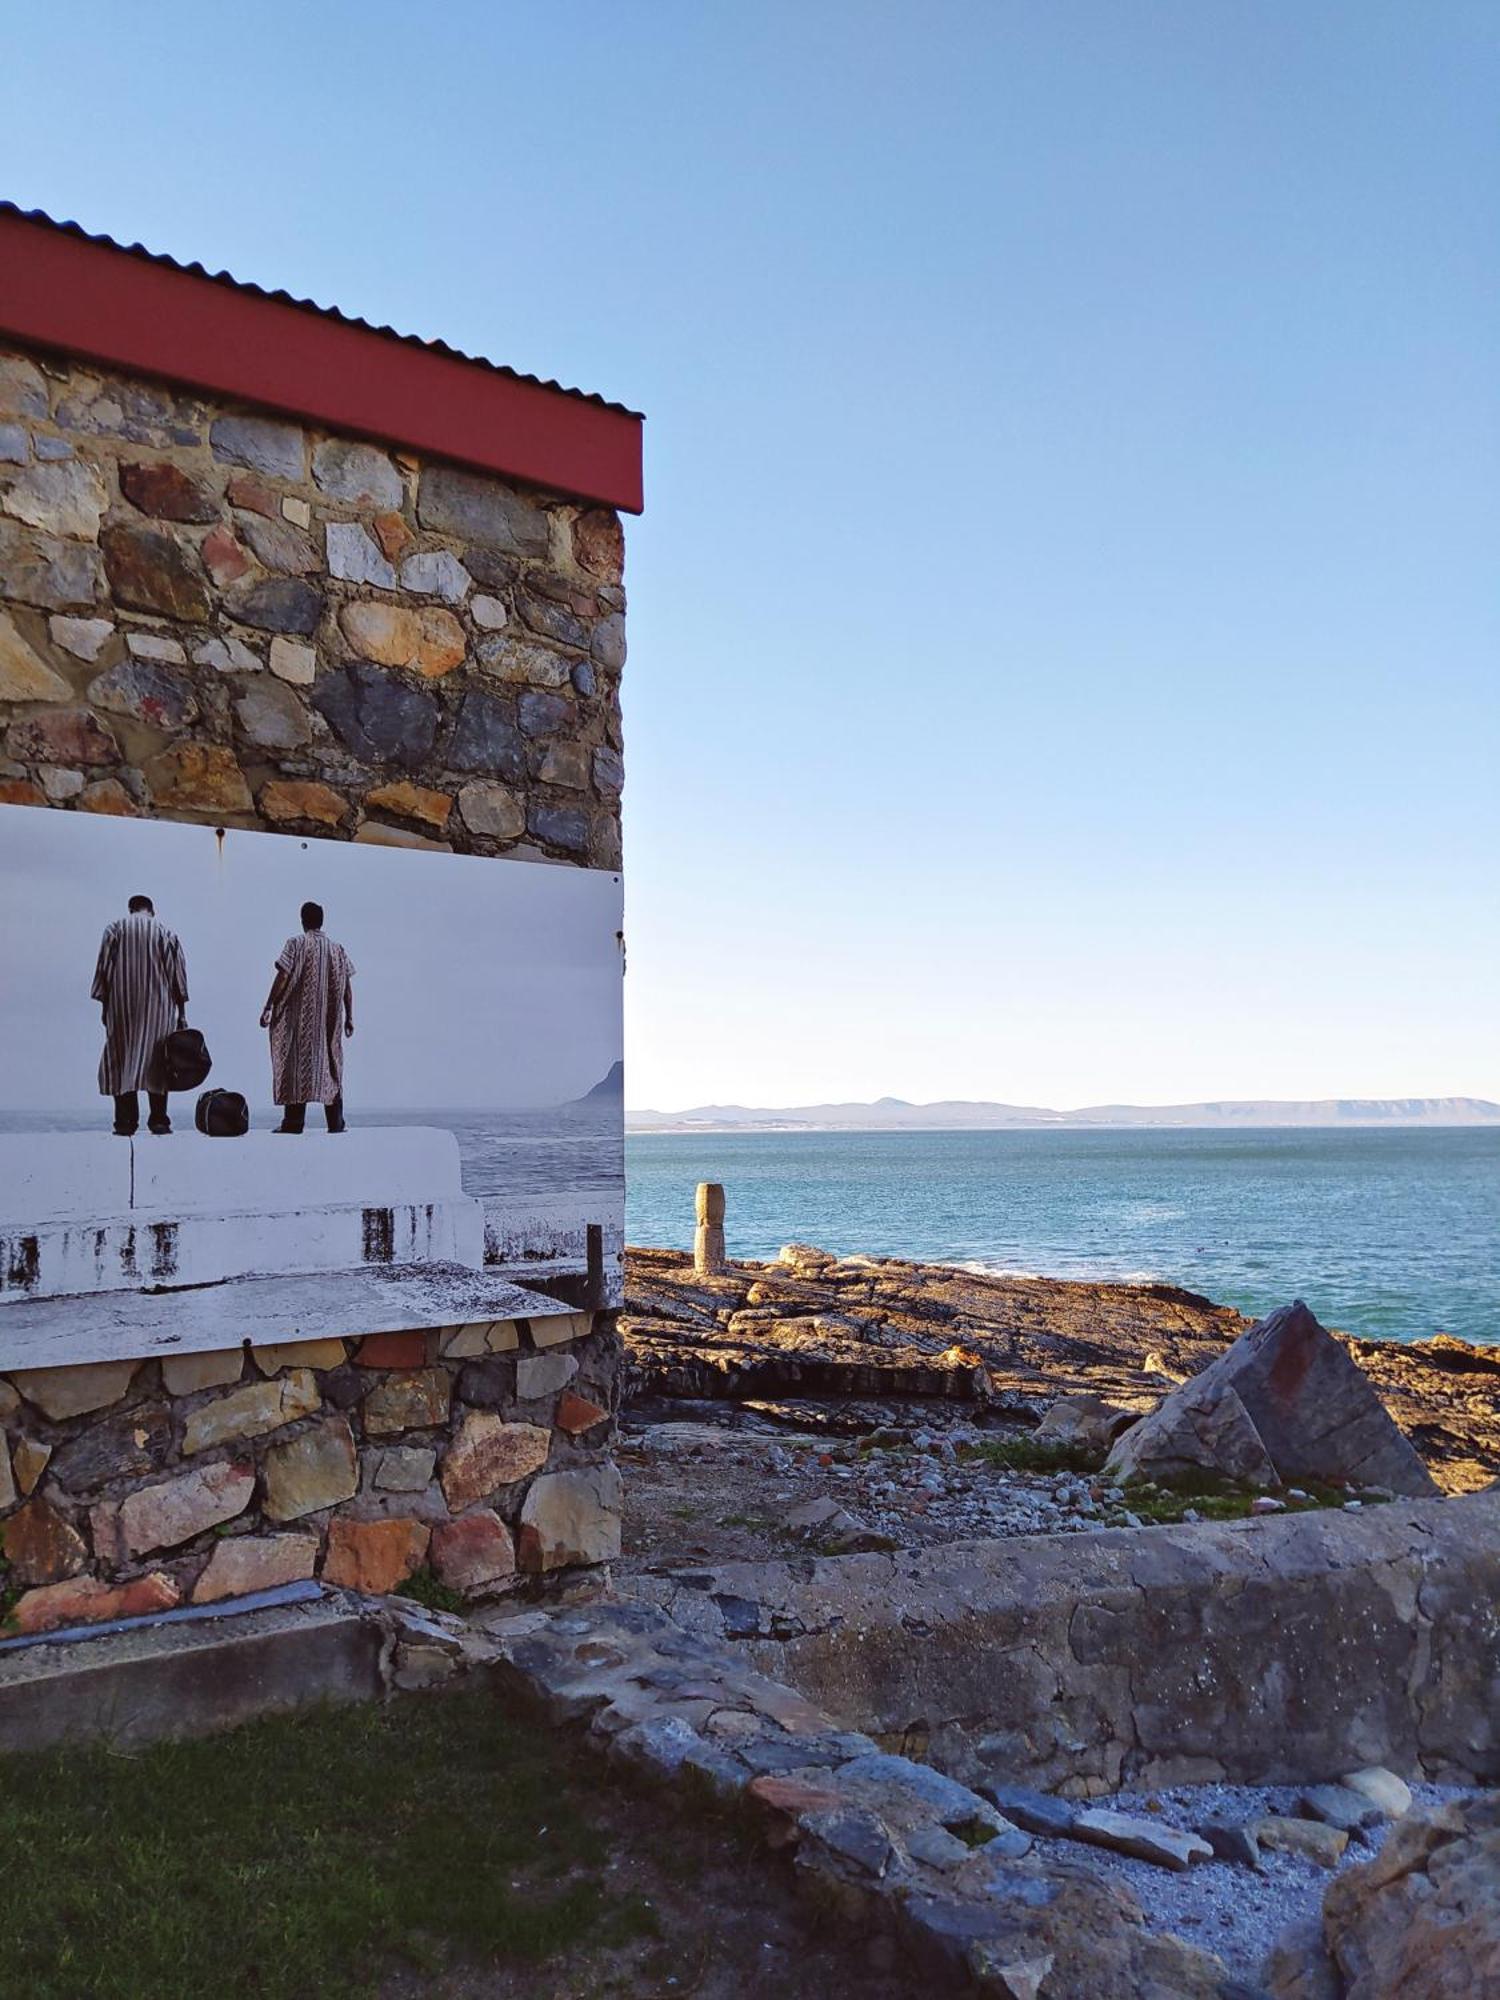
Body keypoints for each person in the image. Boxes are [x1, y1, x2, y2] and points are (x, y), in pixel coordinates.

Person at [92, 894, 190, 1136]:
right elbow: (177, 977)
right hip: (159, 1008)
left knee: (121, 1060)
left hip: (121, 1006)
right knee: (158, 1062)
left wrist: (105, 1007)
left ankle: (125, 1122)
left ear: (130, 909)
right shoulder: (165, 933)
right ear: (152, 910)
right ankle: (159, 1120)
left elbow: (104, 970)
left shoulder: (115, 929)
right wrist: (182, 1014)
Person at [261, 901, 354, 1133]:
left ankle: (293, 1122)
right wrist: (350, 1016)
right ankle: (336, 1122)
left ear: (302, 920)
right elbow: (347, 986)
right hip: (328, 1023)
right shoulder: (338, 949)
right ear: (321, 921)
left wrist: (269, 1005)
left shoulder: (296, 944)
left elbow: (283, 976)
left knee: (293, 1063)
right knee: (330, 1065)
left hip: (298, 1022)